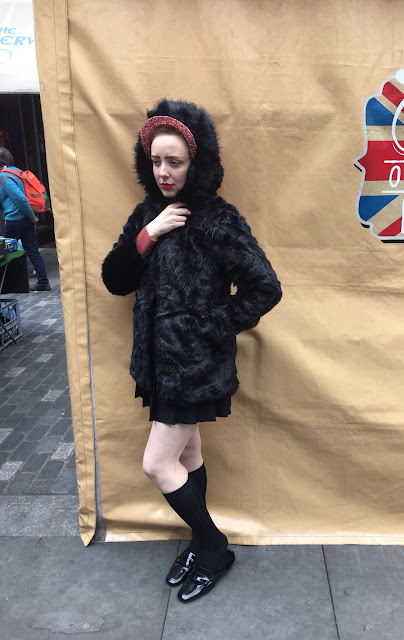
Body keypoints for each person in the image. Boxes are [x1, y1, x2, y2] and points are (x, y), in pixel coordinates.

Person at [102, 99, 282, 603]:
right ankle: (201, 544)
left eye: (175, 161)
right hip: (157, 365)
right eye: (156, 161)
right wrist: (150, 233)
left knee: (157, 464)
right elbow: (115, 279)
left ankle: (213, 546)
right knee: (189, 453)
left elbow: (265, 287)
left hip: (196, 367)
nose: (164, 172)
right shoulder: (147, 213)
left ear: (195, 163)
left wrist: (209, 326)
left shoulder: (218, 219)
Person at [0, 147, 51, 291]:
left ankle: (6, 285)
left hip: (15, 219)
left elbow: (20, 198)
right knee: (32, 250)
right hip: (24, 219)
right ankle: (43, 282)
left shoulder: (4, 176)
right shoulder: (16, 172)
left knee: (3, 252)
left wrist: (32, 217)